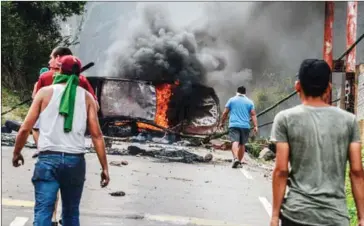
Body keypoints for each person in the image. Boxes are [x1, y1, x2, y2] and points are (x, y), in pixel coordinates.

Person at [12, 55, 110, 226]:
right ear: (80, 74)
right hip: (75, 161)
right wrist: (105, 168)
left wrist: (16, 153)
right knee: (71, 213)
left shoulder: (44, 93)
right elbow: (97, 135)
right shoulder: (87, 98)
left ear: (58, 70)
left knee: (44, 210)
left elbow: (25, 128)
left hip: (48, 160)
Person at [270, 59, 364, 226]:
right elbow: (356, 171)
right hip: (335, 218)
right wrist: (362, 217)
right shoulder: (349, 121)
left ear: (297, 86)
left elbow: (281, 170)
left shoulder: (284, 119)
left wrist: (275, 216)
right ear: (328, 89)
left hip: (296, 216)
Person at [219, 86, 258, 168]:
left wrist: (221, 123)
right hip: (245, 126)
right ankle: (239, 161)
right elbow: (253, 114)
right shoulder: (250, 102)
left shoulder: (232, 100)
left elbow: (225, 113)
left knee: (234, 142)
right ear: (245, 93)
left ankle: (236, 158)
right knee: (242, 144)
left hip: (234, 125)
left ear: (237, 92)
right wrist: (255, 126)